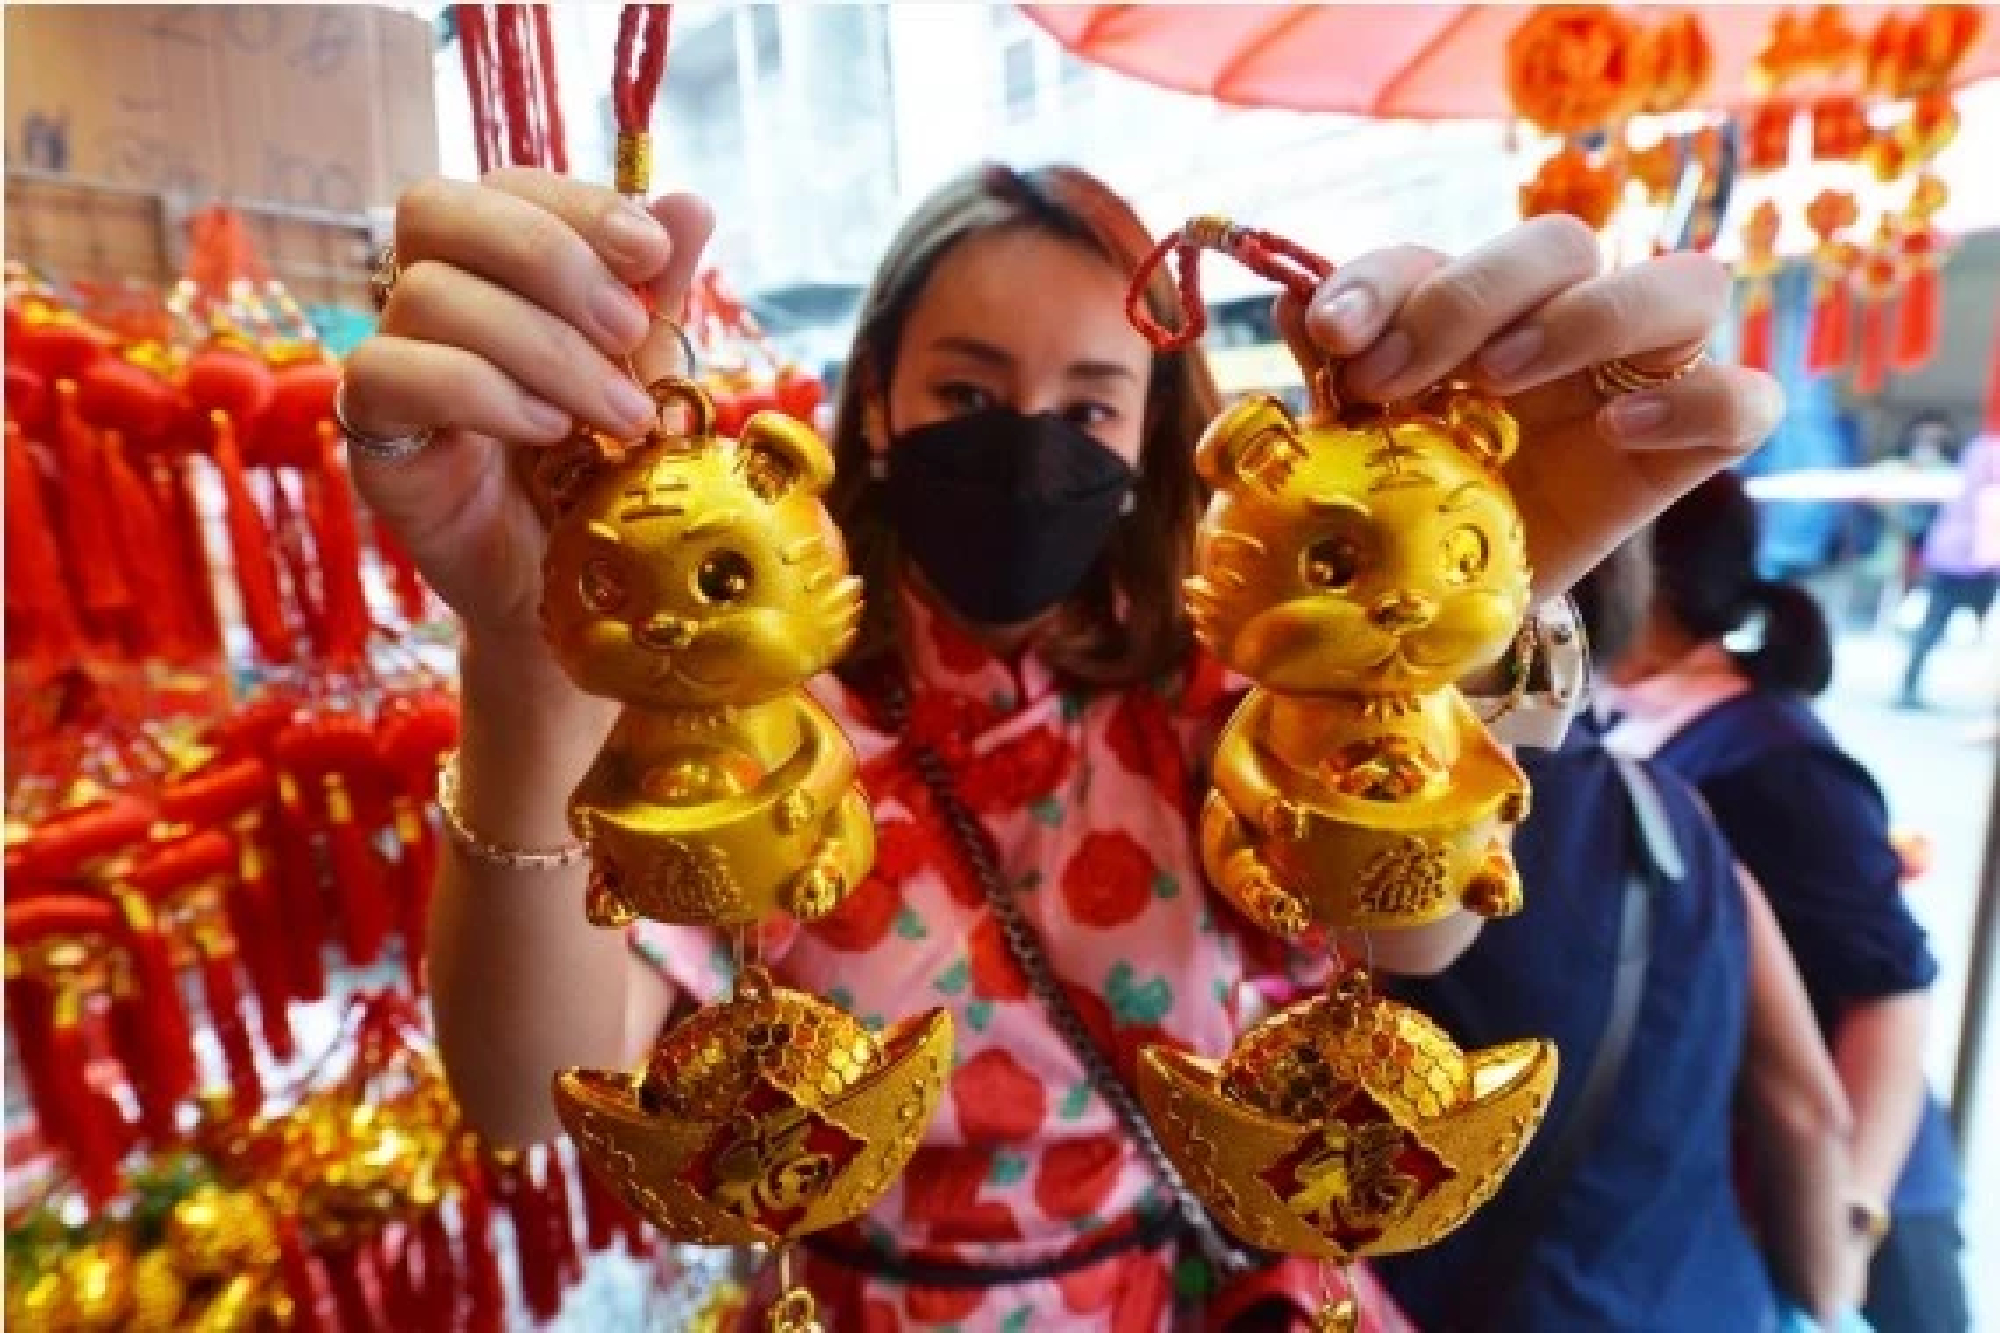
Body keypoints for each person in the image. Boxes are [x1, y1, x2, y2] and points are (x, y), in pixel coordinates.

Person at [341, 162, 1783, 1330]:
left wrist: (1434, 644)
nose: (1029, 441)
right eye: (967, 392)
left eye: (1091, 401)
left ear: (1155, 433)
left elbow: (1408, 948)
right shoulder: (755, 711)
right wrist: (531, 655)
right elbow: (534, 1094)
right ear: (877, 409)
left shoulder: (1241, 672)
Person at [1375, 537, 1861, 1332]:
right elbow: (1807, 1110)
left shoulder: (1361, 853)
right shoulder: (1670, 811)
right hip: (1704, 1304)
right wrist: (1828, 1295)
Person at [1607, 472, 1969, 1333]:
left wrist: (1851, 1222)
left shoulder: (1773, 760)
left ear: (1638, 568)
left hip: (1859, 1194)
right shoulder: (1631, 721)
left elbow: (1887, 990)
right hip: (1753, 1174)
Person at [1899, 425, 2000, 708]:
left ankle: (1909, 685)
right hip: (1972, 556)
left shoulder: (1980, 446)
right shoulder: (1988, 449)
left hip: (1958, 553)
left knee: (1933, 626)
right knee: (1936, 626)